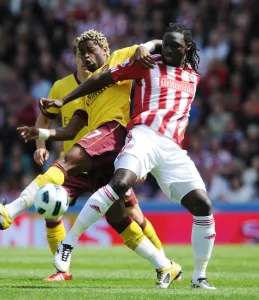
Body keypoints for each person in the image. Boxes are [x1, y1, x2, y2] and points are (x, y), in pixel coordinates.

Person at [0, 30, 181, 288]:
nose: (86, 56)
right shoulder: (86, 93)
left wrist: (146, 45)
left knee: (66, 165)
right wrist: (40, 134)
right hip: (99, 155)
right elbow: (71, 131)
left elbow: (156, 45)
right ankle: (166, 265)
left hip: (112, 132)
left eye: (91, 51)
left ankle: (10, 211)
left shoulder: (118, 58)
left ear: (105, 52)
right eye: (81, 53)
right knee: (119, 219)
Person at [42, 23, 216, 290]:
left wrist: (151, 44)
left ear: (187, 49)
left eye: (175, 46)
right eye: (165, 44)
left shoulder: (193, 76)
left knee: (203, 205)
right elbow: (102, 78)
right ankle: (68, 242)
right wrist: (64, 101)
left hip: (172, 149)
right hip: (144, 136)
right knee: (120, 184)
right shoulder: (147, 63)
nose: (168, 50)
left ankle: (199, 277)